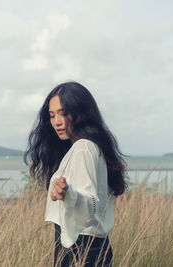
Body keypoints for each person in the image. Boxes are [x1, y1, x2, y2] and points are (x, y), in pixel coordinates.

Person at [24, 82, 127, 267]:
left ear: (80, 112)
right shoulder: (91, 147)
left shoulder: (83, 148)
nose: (57, 121)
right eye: (52, 115)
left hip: (81, 250)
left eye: (64, 113)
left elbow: (90, 203)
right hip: (95, 248)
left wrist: (67, 194)